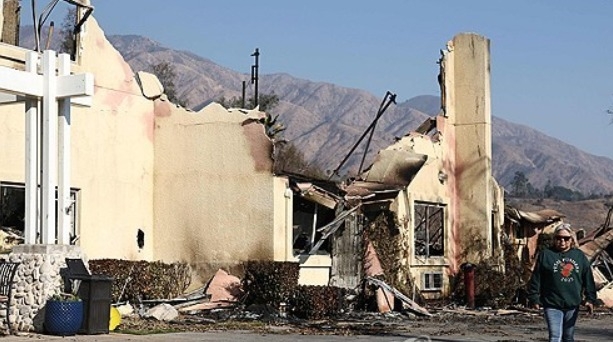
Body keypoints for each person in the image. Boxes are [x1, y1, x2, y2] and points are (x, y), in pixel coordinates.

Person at [527, 224, 597, 342]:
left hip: (572, 304)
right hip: (552, 303)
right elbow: (536, 277)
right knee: (555, 337)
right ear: (554, 239)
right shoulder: (546, 255)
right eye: (559, 238)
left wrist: (590, 299)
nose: (562, 241)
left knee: (568, 337)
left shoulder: (579, 256)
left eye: (566, 238)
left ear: (571, 239)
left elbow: (588, 279)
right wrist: (534, 298)